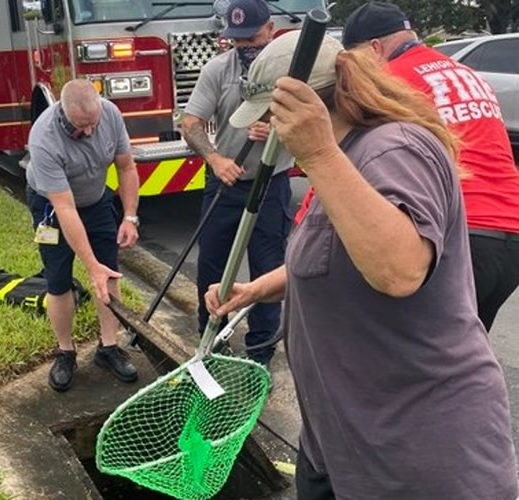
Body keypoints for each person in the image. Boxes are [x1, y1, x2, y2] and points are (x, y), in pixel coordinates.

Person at [207, 31, 517, 499]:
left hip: (414, 455)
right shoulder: (339, 164)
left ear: (303, 108)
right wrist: (256, 289)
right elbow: (336, 252)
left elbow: (398, 269)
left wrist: (318, 151)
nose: (270, 128)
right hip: (341, 444)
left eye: (272, 115)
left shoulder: (394, 149)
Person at [339, 2, 519, 332]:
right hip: (510, 231)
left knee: (414, 354)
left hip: (462, 232)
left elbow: (351, 160)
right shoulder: (465, 73)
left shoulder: (390, 82)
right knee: (463, 351)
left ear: (375, 48)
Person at [181, 0, 293, 366]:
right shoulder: (218, 69)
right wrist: (215, 159)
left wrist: (280, 131)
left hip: (270, 184)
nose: (244, 47)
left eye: (251, 38)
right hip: (225, 184)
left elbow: (318, 124)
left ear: (271, 28)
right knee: (212, 268)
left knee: (266, 270)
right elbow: (190, 122)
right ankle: (211, 344)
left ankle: (260, 353)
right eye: (237, 40)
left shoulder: (292, 72)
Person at [26, 79, 140, 392]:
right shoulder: (44, 137)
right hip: (52, 206)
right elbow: (64, 208)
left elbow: (126, 167)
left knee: (110, 272)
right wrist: (90, 267)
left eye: (94, 124)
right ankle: (65, 351)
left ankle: (108, 347)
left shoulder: (111, 114)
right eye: (81, 126)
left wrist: (130, 217)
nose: (89, 132)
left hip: (95, 199)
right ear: (63, 113)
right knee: (58, 279)